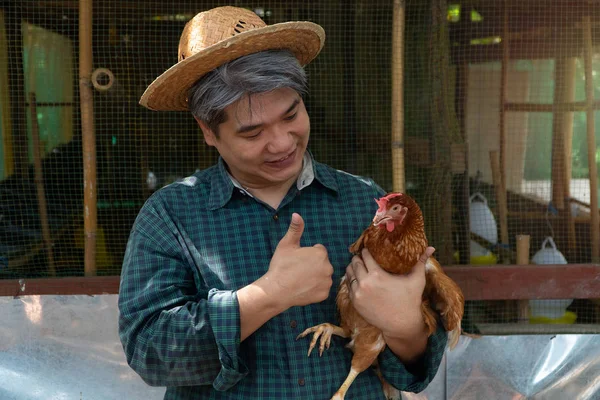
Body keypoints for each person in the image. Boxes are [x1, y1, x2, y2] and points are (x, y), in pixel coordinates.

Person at [118, 5, 447, 399]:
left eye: (291, 114)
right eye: (252, 132)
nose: (282, 142)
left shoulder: (363, 202)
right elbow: (148, 353)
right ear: (208, 130)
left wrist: (404, 325)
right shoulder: (171, 216)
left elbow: (414, 372)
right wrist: (266, 296)